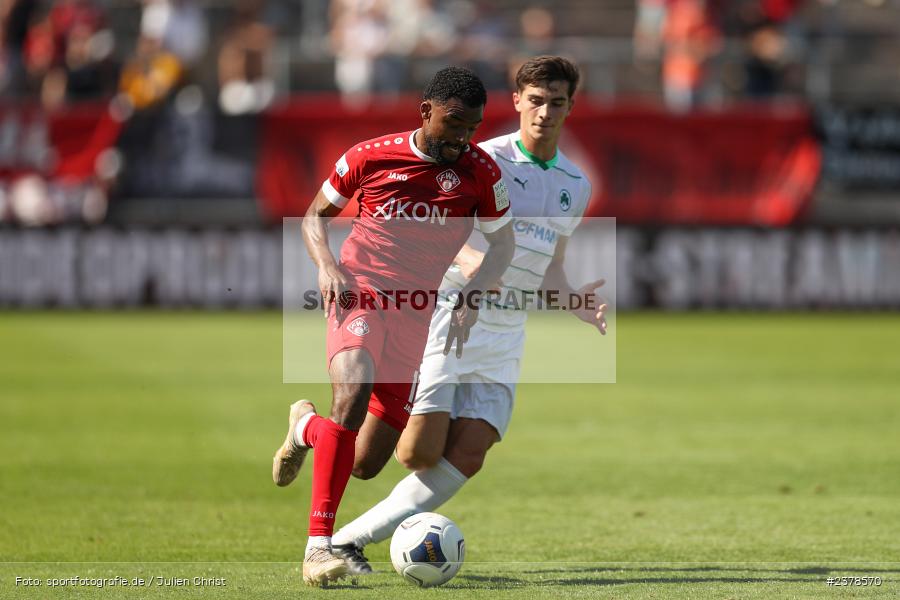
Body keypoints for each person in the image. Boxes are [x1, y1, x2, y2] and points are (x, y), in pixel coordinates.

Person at [329, 55, 607, 573]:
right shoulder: (482, 159)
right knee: (413, 455)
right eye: (536, 100)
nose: (545, 112)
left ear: (571, 107)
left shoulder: (575, 183)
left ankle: (347, 542)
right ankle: (321, 430)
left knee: (471, 454)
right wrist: (472, 260)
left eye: (557, 102)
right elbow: (435, 226)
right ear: (517, 101)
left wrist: (574, 302)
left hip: (505, 333)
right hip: (451, 315)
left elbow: (550, 268)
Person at [272, 66, 515, 586]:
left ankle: (305, 427)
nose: (462, 138)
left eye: (472, 128)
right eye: (454, 124)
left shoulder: (481, 173)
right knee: (352, 392)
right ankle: (318, 547)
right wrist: (327, 265)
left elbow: (503, 245)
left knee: (364, 463)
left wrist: (474, 292)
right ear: (426, 112)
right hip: (359, 291)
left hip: (416, 315)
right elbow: (315, 216)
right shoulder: (370, 156)